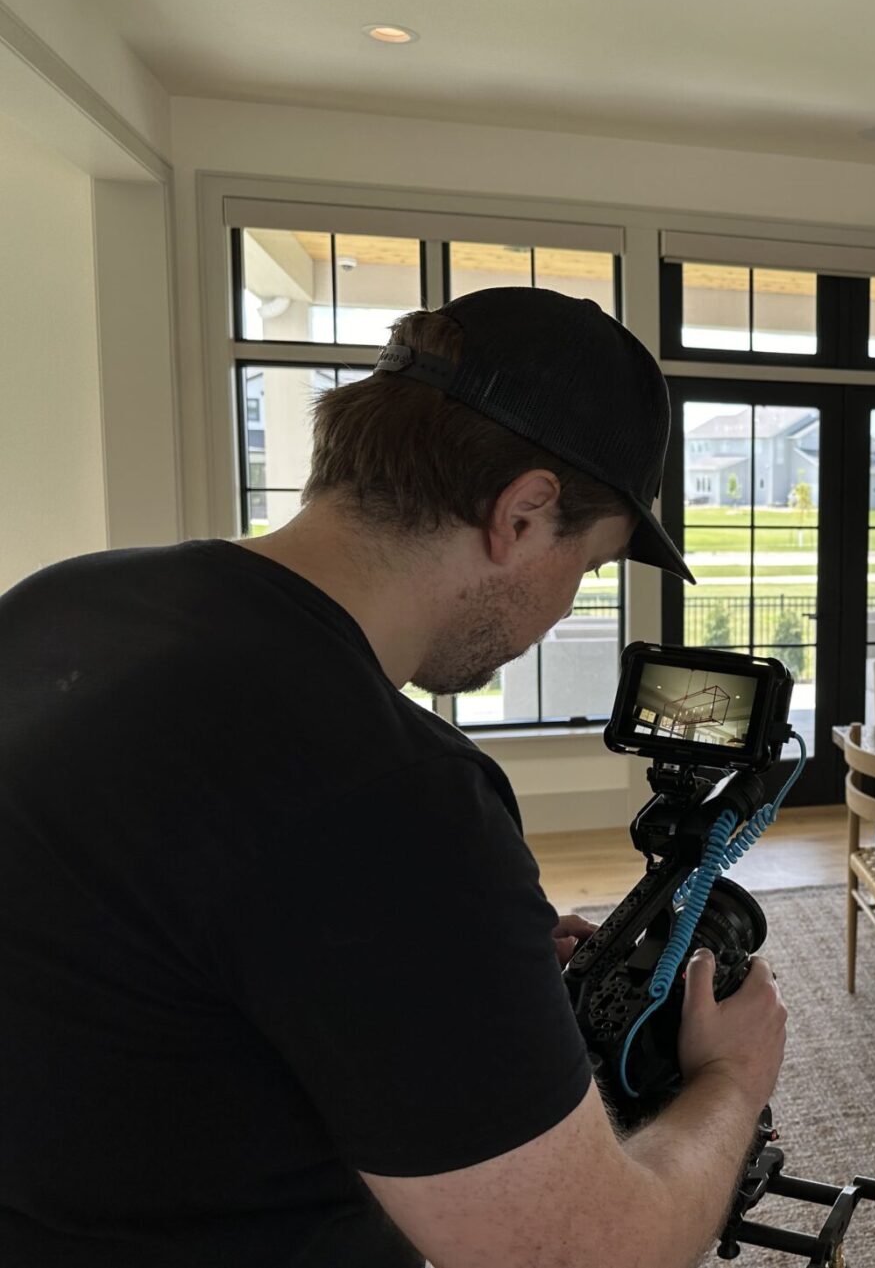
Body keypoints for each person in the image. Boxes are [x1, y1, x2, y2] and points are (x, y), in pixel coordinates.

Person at [0, 288, 787, 1267]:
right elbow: (589, 1253)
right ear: (523, 511)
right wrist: (731, 1079)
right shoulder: (391, 791)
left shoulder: (63, 603)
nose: (566, 603)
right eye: (587, 567)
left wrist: (439, 968)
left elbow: (138, 928)